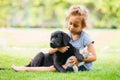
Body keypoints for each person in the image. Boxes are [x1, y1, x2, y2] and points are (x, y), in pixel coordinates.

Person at [11, 5, 96, 72]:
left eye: (75, 25)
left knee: (53, 67)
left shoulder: (86, 38)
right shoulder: (67, 36)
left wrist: (79, 60)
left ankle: (26, 69)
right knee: (53, 66)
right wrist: (59, 49)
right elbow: (50, 51)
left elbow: (94, 57)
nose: (71, 27)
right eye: (70, 23)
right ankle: (27, 68)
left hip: (82, 65)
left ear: (83, 26)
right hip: (69, 63)